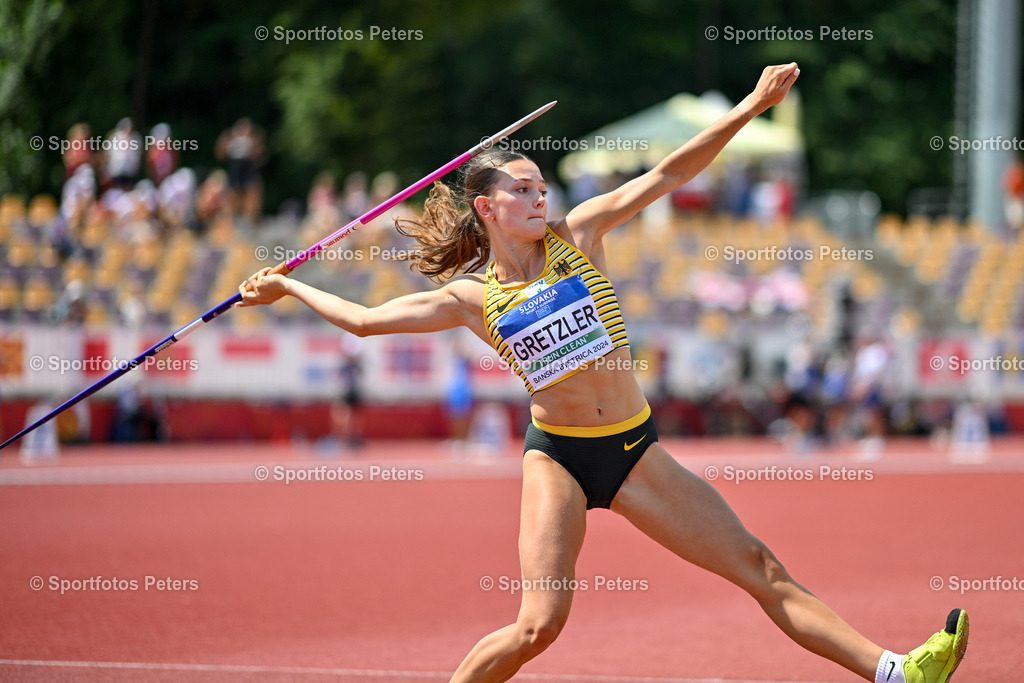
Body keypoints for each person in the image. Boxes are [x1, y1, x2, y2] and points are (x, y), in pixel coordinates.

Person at [236, 63, 967, 683]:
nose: (539, 196)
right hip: (557, 459)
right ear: (488, 208)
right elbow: (366, 322)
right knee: (537, 627)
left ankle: (898, 671)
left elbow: (670, 170)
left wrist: (750, 107)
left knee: (759, 565)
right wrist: (289, 287)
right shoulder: (472, 297)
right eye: (522, 189)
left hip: (634, 450)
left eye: (541, 185)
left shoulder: (580, 234)